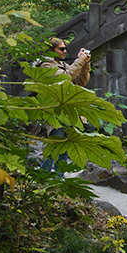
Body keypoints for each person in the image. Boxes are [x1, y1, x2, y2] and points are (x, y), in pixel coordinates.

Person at [39, 38, 92, 172]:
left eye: (65, 48)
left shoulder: (63, 65)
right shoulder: (46, 66)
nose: (65, 51)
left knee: (64, 146)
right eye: (61, 49)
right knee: (54, 144)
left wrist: (85, 64)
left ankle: (59, 177)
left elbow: (80, 82)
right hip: (57, 111)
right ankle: (43, 176)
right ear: (51, 50)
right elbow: (65, 78)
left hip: (68, 111)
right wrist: (79, 60)